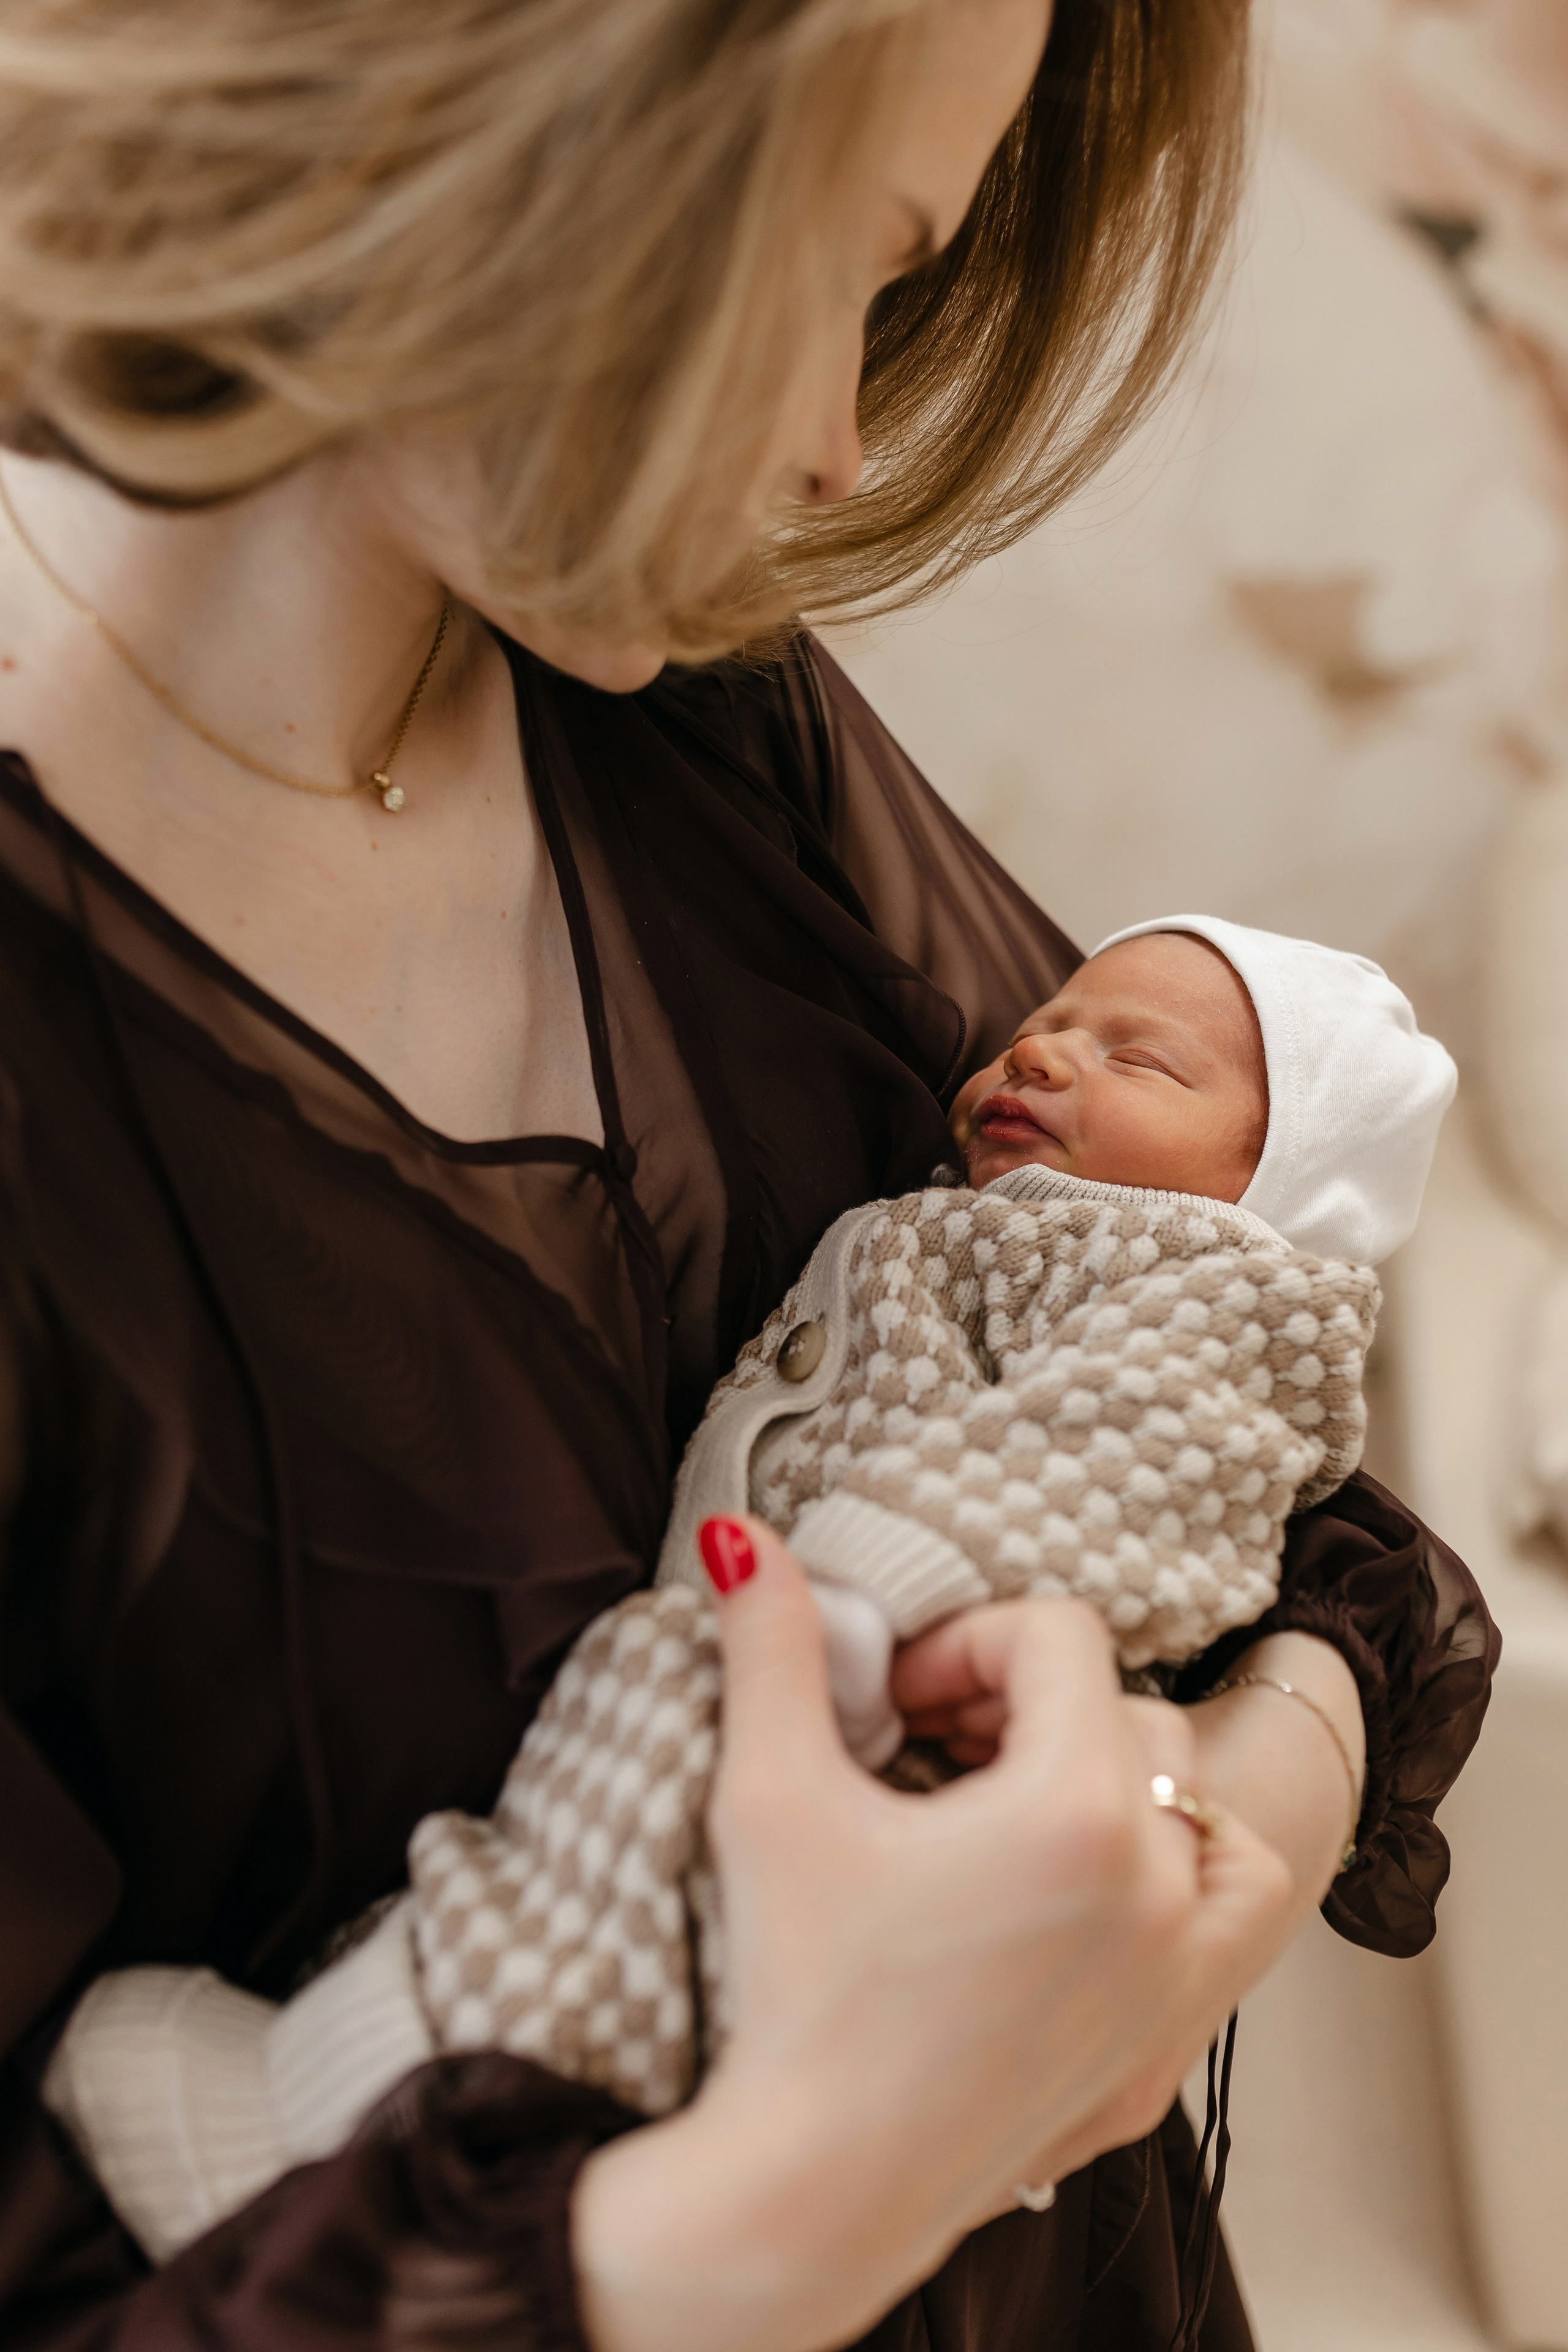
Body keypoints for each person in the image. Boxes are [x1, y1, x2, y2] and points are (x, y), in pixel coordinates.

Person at [0, 4, 1496, 2351]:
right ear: (463, 104)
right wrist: (825, 2182)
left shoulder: (689, 708)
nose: (835, 435)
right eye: (832, 257)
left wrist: (1212, 1865)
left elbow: (1216, 1342)